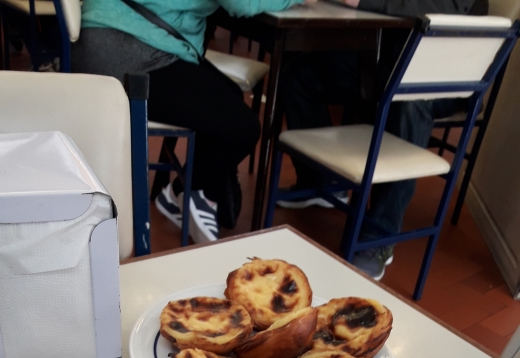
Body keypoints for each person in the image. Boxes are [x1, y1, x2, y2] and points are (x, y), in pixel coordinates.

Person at [73, 0, 317, 244]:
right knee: (244, 127)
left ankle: (183, 193)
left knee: (230, 96)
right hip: (129, 50)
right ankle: (193, 193)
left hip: (124, 35)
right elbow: (242, 4)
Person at [279, 0, 489, 279]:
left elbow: (434, 9)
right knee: (300, 74)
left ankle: (380, 234)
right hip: (391, 59)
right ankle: (320, 182)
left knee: (410, 100)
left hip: (450, 76)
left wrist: (363, 1)